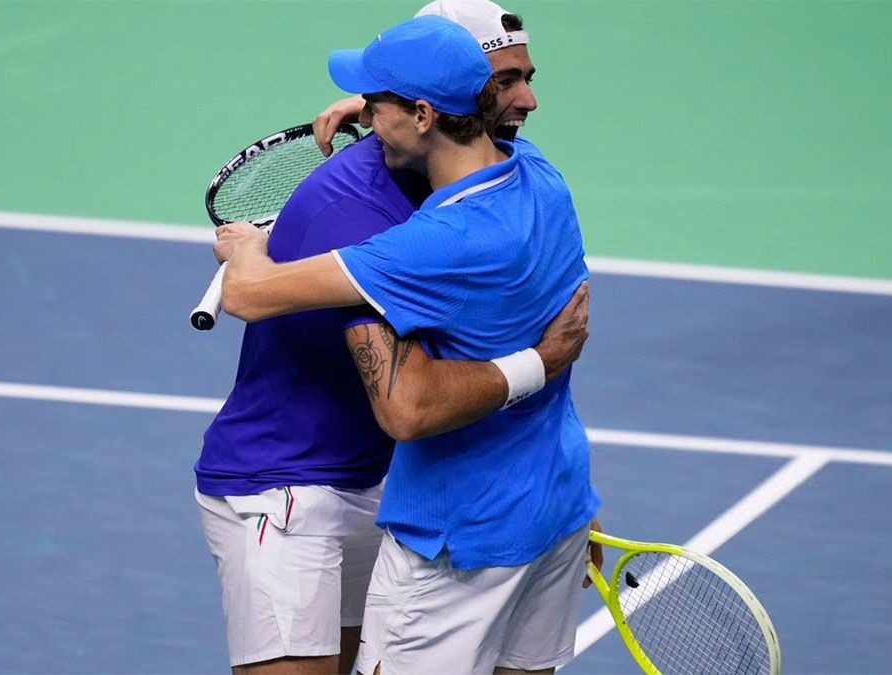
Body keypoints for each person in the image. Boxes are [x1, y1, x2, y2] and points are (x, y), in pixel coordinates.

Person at [193, 5, 593, 674]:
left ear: (425, 112)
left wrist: (247, 249)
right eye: (508, 79)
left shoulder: (424, 238)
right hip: (288, 479)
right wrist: (385, 106)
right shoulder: (538, 180)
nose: (526, 100)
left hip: (432, 500)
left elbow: (250, 296)